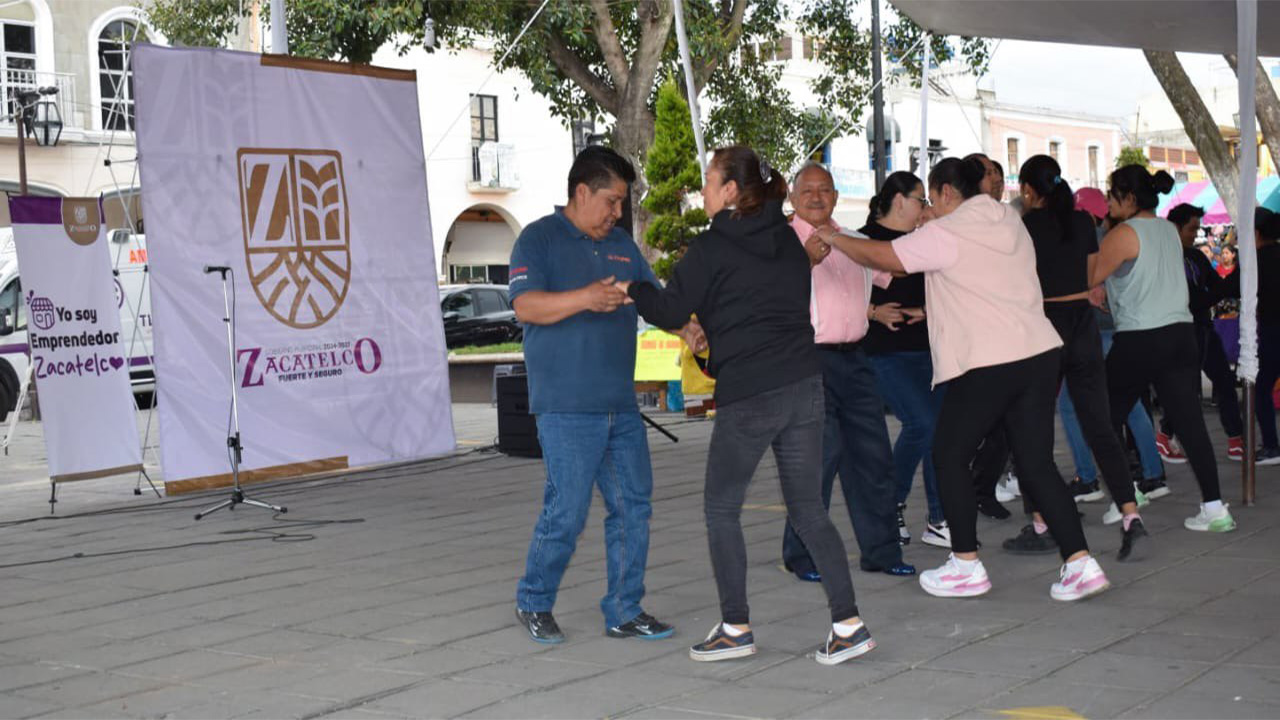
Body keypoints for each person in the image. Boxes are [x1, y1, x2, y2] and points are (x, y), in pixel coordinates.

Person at [621, 146, 876, 666]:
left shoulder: (712, 246)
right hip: (805, 382)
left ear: (731, 191)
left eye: (710, 181)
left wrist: (634, 288)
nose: (704, 189)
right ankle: (848, 624)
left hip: (751, 392)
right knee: (808, 510)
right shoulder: (786, 236)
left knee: (721, 508)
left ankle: (735, 626)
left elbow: (669, 306)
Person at [817, 156, 1111, 601]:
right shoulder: (1008, 219)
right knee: (1036, 463)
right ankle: (1080, 562)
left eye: (933, 198)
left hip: (990, 360)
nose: (929, 207)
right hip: (1038, 353)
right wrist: (934, 224)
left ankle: (966, 564)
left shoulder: (946, 232)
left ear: (947, 193)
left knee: (948, 455)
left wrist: (834, 238)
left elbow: (888, 257)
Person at [509, 147, 685, 644]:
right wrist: (587, 297)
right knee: (567, 511)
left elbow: (654, 300)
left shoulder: (624, 245)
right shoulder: (538, 239)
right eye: (610, 201)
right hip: (565, 406)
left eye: (622, 204)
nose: (616, 213)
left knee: (634, 507)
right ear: (581, 192)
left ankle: (625, 609)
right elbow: (525, 306)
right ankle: (534, 600)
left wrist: (687, 328)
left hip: (620, 406)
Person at [999, 156, 1145, 561]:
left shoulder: (1023, 227)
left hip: (1044, 327)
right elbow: (1092, 272)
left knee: (1032, 427)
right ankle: (1131, 513)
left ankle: (1043, 522)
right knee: (1100, 424)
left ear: (1028, 190)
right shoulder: (1082, 222)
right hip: (1083, 327)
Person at [776, 164, 916, 581]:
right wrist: (803, 262)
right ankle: (801, 556)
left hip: (856, 358)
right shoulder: (778, 243)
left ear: (837, 197)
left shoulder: (856, 240)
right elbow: (766, 298)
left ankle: (881, 551)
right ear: (793, 198)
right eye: (808, 191)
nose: (817, 198)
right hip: (804, 361)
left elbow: (897, 272)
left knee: (872, 457)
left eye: (825, 190)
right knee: (818, 459)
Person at [1090, 165, 1236, 533]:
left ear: (1128, 197)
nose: (1107, 201)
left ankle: (1126, 498)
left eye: (1111, 194)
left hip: (1140, 337)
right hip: (1181, 335)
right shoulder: (1169, 231)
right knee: (1190, 424)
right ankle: (1215, 507)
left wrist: (1103, 241)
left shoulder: (1122, 234)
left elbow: (1089, 277)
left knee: (1104, 419)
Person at [1056, 188, 1169, 519]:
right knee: (1130, 404)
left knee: (1070, 405)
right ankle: (1153, 472)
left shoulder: (1087, 237)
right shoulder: (1120, 236)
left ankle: (1087, 478)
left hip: (1090, 331)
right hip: (1119, 327)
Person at [860, 171, 949, 549]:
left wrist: (925, 310)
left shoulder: (925, 238)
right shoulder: (863, 241)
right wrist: (873, 311)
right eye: (921, 200)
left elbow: (947, 284)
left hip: (929, 349)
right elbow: (837, 290)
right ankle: (889, 504)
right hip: (884, 352)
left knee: (941, 432)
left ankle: (940, 517)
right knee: (922, 424)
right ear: (899, 201)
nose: (925, 208)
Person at [1154, 203, 1243, 464]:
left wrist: (1237, 278)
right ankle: (1166, 433)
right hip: (1181, 330)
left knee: (1224, 381)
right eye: (1191, 229)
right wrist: (1217, 293)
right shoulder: (1163, 258)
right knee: (1186, 387)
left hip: (1204, 328)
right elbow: (1191, 299)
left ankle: (1236, 438)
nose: (1195, 234)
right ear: (1175, 227)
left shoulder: (1196, 257)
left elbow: (1218, 286)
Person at [962, 152, 1017, 520]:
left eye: (998, 173)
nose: (995, 180)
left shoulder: (1010, 220)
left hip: (1009, 337)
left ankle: (982, 488)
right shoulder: (960, 223)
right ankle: (964, 491)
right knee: (972, 426)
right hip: (972, 340)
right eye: (988, 174)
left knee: (1005, 425)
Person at [1249, 208, 1280, 464]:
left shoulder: (1256, 261)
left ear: (1256, 233)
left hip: (1272, 330)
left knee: (1261, 389)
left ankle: (1271, 446)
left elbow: (1232, 288)